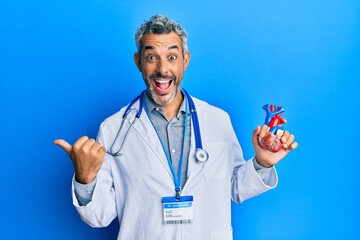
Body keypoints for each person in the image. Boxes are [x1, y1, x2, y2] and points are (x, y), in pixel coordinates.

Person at [54, 15, 298, 240]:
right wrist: (85, 179)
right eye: (152, 57)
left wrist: (262, 163)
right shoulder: (113, 128)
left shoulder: (216, 120)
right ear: (138, 62)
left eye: (172, 57)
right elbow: (99, 217)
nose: (162, 69)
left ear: (185, 60)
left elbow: (235, 188)